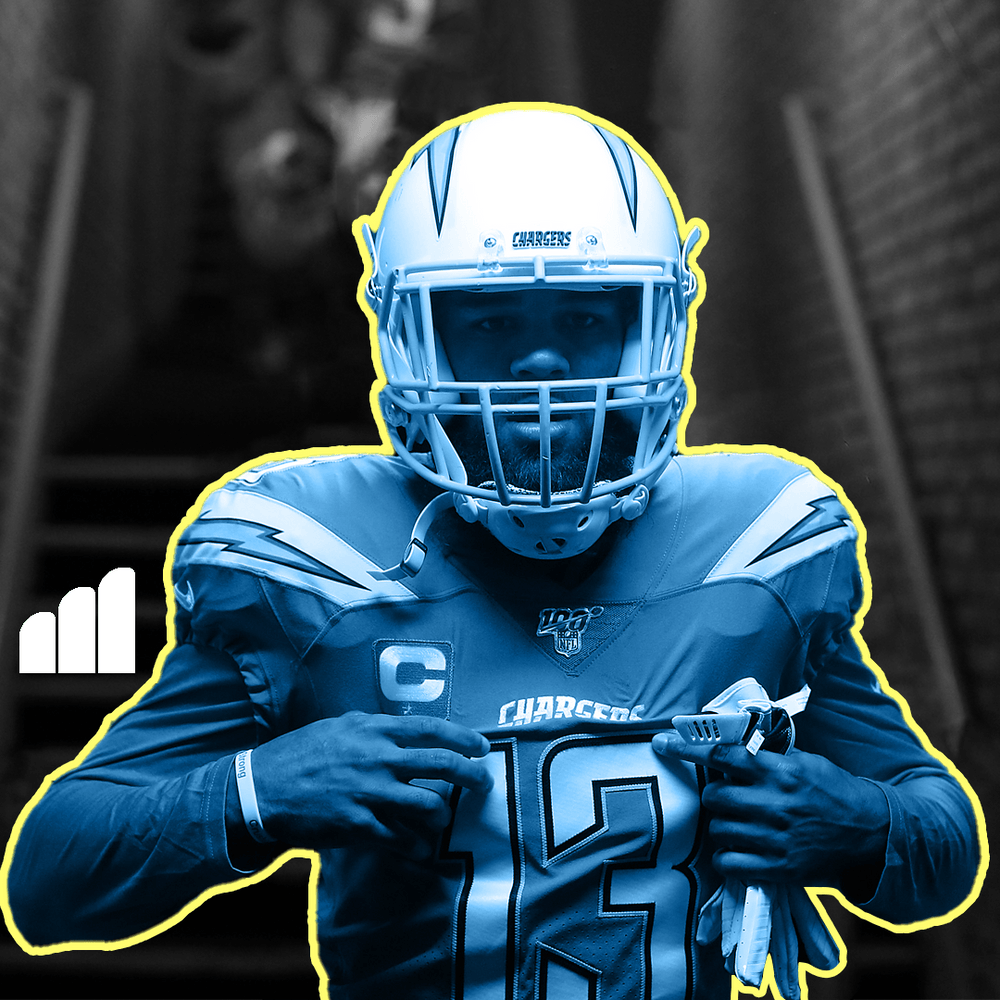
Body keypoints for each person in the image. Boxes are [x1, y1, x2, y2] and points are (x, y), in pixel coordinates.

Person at [3, 104, 984, 1000]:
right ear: (409, 336)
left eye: (587, 319)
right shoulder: (311, 560)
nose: (541, 366)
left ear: (659, 326)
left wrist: (861, 828)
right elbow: (48, 880)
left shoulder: (758, 543)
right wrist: (254, 793)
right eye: (488, 319)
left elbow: (944, 843)